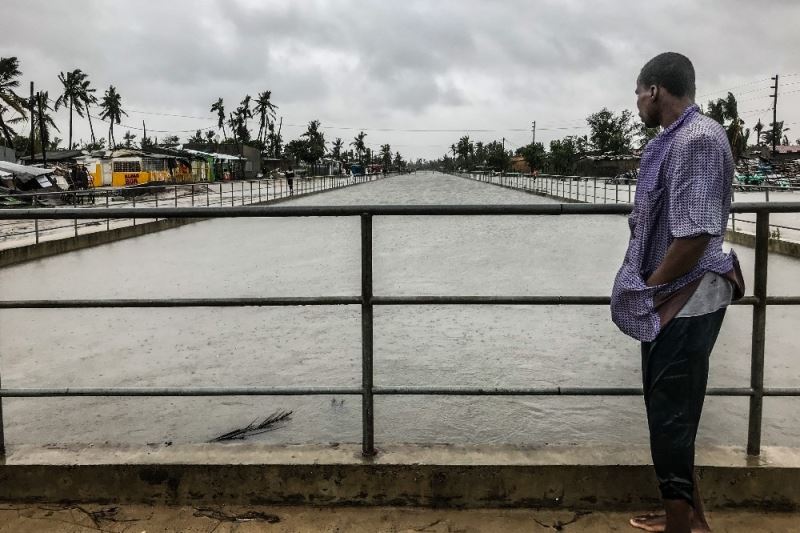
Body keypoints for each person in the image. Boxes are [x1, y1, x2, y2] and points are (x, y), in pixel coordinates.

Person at [610, 52, 744, 533]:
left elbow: (695, 234)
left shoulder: (698, 140)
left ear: (654, 91)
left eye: (638, 95)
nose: (637, 105)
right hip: (678, 293)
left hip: (687, 296)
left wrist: (646, 291)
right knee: (671, 410)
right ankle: (689, 516)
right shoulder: (681, 138)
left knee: (669, 415)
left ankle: (680, 527)